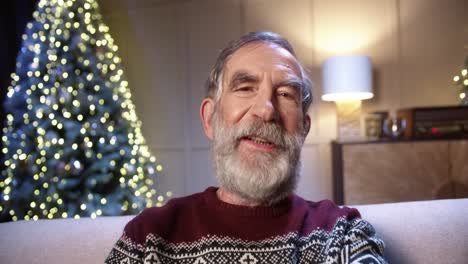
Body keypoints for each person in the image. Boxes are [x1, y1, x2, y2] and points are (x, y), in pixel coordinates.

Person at [105, 31, 386, 264]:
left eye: (286, 94)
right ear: (209, 119)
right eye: (245, 88)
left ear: (303, 129)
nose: (266, 110)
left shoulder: (342, 235)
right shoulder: (149, 238)